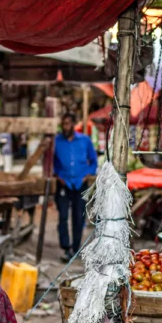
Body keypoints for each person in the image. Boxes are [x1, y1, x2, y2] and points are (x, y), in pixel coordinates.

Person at [52, 112, 98, 261]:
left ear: (73, 125)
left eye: (68, 124)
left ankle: (76, 248)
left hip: (80, 183)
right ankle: (66, 248)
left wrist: (87, 175)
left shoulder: (84, 140)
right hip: (63, 184)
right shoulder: (56, 141)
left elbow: (93, 161)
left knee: (78, 216)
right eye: (63, 124)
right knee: (63, 216)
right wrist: (58, 176)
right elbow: (51, 162)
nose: (66, 127)